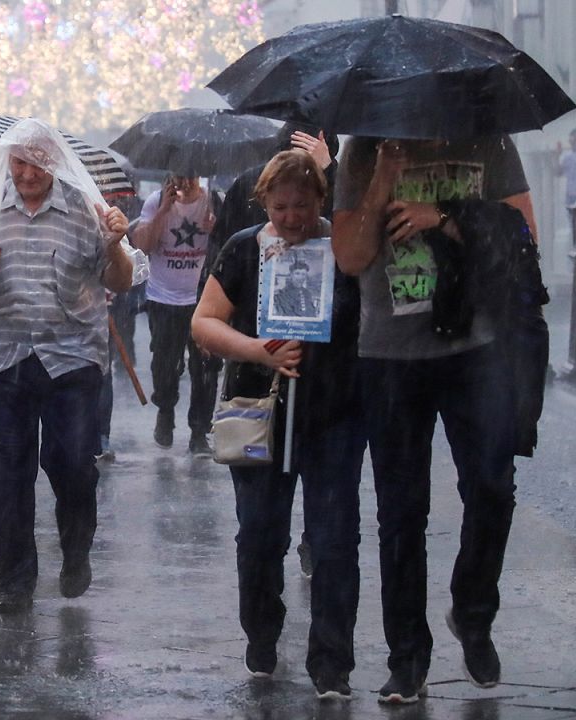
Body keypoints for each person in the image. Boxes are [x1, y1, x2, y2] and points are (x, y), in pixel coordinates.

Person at [332, 135, 537, 704]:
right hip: (391, 357)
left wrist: (444, 216)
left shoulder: (489, 138)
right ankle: (408, 658)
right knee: (400, 511)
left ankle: (473, 612)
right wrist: (382, 177)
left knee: (493, 487)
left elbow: (525, 237)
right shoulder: (363, 148)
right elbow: (349, 256)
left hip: (477, 346)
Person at [0, 119, 136, 613]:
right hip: (5, 357)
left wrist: (113, 243)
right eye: (19, 163)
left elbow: (121, 281)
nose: (26, 173)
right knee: (5, 473)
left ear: (55, 162)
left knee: (71, 466)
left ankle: (76, 549)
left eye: (36, 163)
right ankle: (15, 578)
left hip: (72, 360)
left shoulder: (88, 211)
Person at [192, 149, 364, 701]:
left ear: (321, 199)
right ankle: (261, 630)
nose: (291, 217)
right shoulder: (245, 249)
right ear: (263, 201)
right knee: (261, 535)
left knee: (335, 540)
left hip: (334, 412)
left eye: (303, 204)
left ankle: (332, 661)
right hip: (260, 411)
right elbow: (204, 322)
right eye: (281, 205)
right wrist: (259, 351)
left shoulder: (341, 248)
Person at [129, 175, 216, 455]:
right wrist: (163, 211)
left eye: (189, 178)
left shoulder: (214, 201)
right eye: (179, 178)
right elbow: (142, 244)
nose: (185, 184)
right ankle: (165, 410)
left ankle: (200, 429)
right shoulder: (156, 202)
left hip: (203, 299)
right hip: (163, 297)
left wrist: (215, 229)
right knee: (165, 364)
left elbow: (227, 244)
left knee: (205, 366)